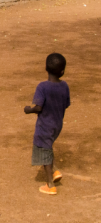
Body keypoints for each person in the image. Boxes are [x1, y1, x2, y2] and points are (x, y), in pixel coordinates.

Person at [24, 53, 70, 195]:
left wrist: (29, 110)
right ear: (62, 71)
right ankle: (55, 171)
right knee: (47, 147)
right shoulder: (64, 86)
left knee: (44, 150)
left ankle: (50, 185)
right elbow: (66, 104)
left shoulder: (42, 87)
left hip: (45, 125)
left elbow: (39, 107)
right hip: (57, 124)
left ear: (46, 68)